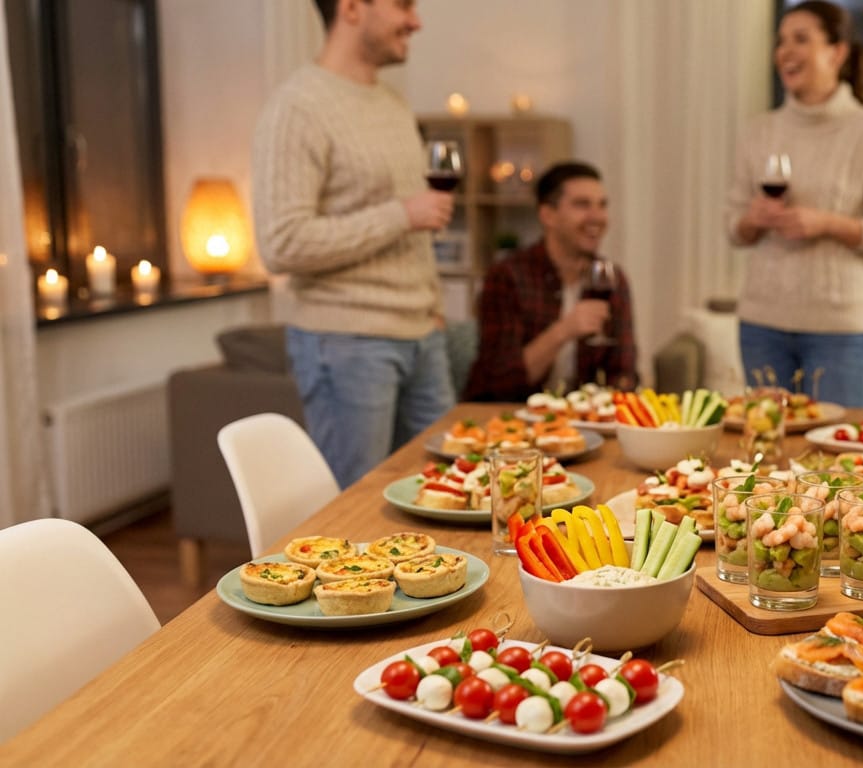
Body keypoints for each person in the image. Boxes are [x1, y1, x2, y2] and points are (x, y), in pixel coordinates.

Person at [251, 0, 456, 488]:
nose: (416, 21)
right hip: (346, 346)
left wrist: (431, 302)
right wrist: (401, 215)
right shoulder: (297, 108)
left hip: (422, 336)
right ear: (352, 9)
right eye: (403, 5)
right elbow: (282, 243)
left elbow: (412, 229)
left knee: (455, 490)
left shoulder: (391, 103)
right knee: (354, 510)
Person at [724, 0, 863, 408]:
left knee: (833, 464)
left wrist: (828, 224)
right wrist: (752, 219)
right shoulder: (758, 131)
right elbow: (733, 228)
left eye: (801, 39)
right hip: (761, 325)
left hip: (839, 331)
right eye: (781, 42)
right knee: (766, 457)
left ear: (837, 52)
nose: (785, 52)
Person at [464, 162, 638, 402]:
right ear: (548, 215)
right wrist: (564, 331)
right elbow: (500, 383)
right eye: (582, 205)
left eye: (602, 205)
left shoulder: (612, 279)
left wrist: (609, 403)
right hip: (506, 417)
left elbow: (624, 373)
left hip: (579, 423)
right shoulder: (507, 277)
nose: (597, 217)